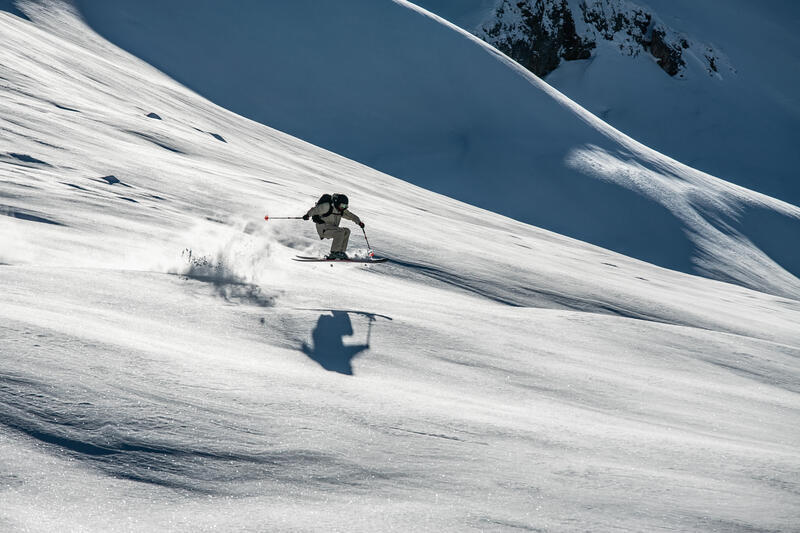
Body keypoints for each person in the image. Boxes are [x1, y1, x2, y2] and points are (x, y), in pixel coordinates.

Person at [302, 193, 364, 259]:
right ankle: (334, 253)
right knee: (340, 231)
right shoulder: (327, 206)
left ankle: (341, 252)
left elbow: (351, 216)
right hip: (323, 229)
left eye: (345, 206)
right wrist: (308, 215)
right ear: (337, 203)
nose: (343, 207)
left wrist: (359, 222)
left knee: (347, 231)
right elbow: (315, 210)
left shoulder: (341, 210)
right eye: (342, 205)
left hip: (333, 229)